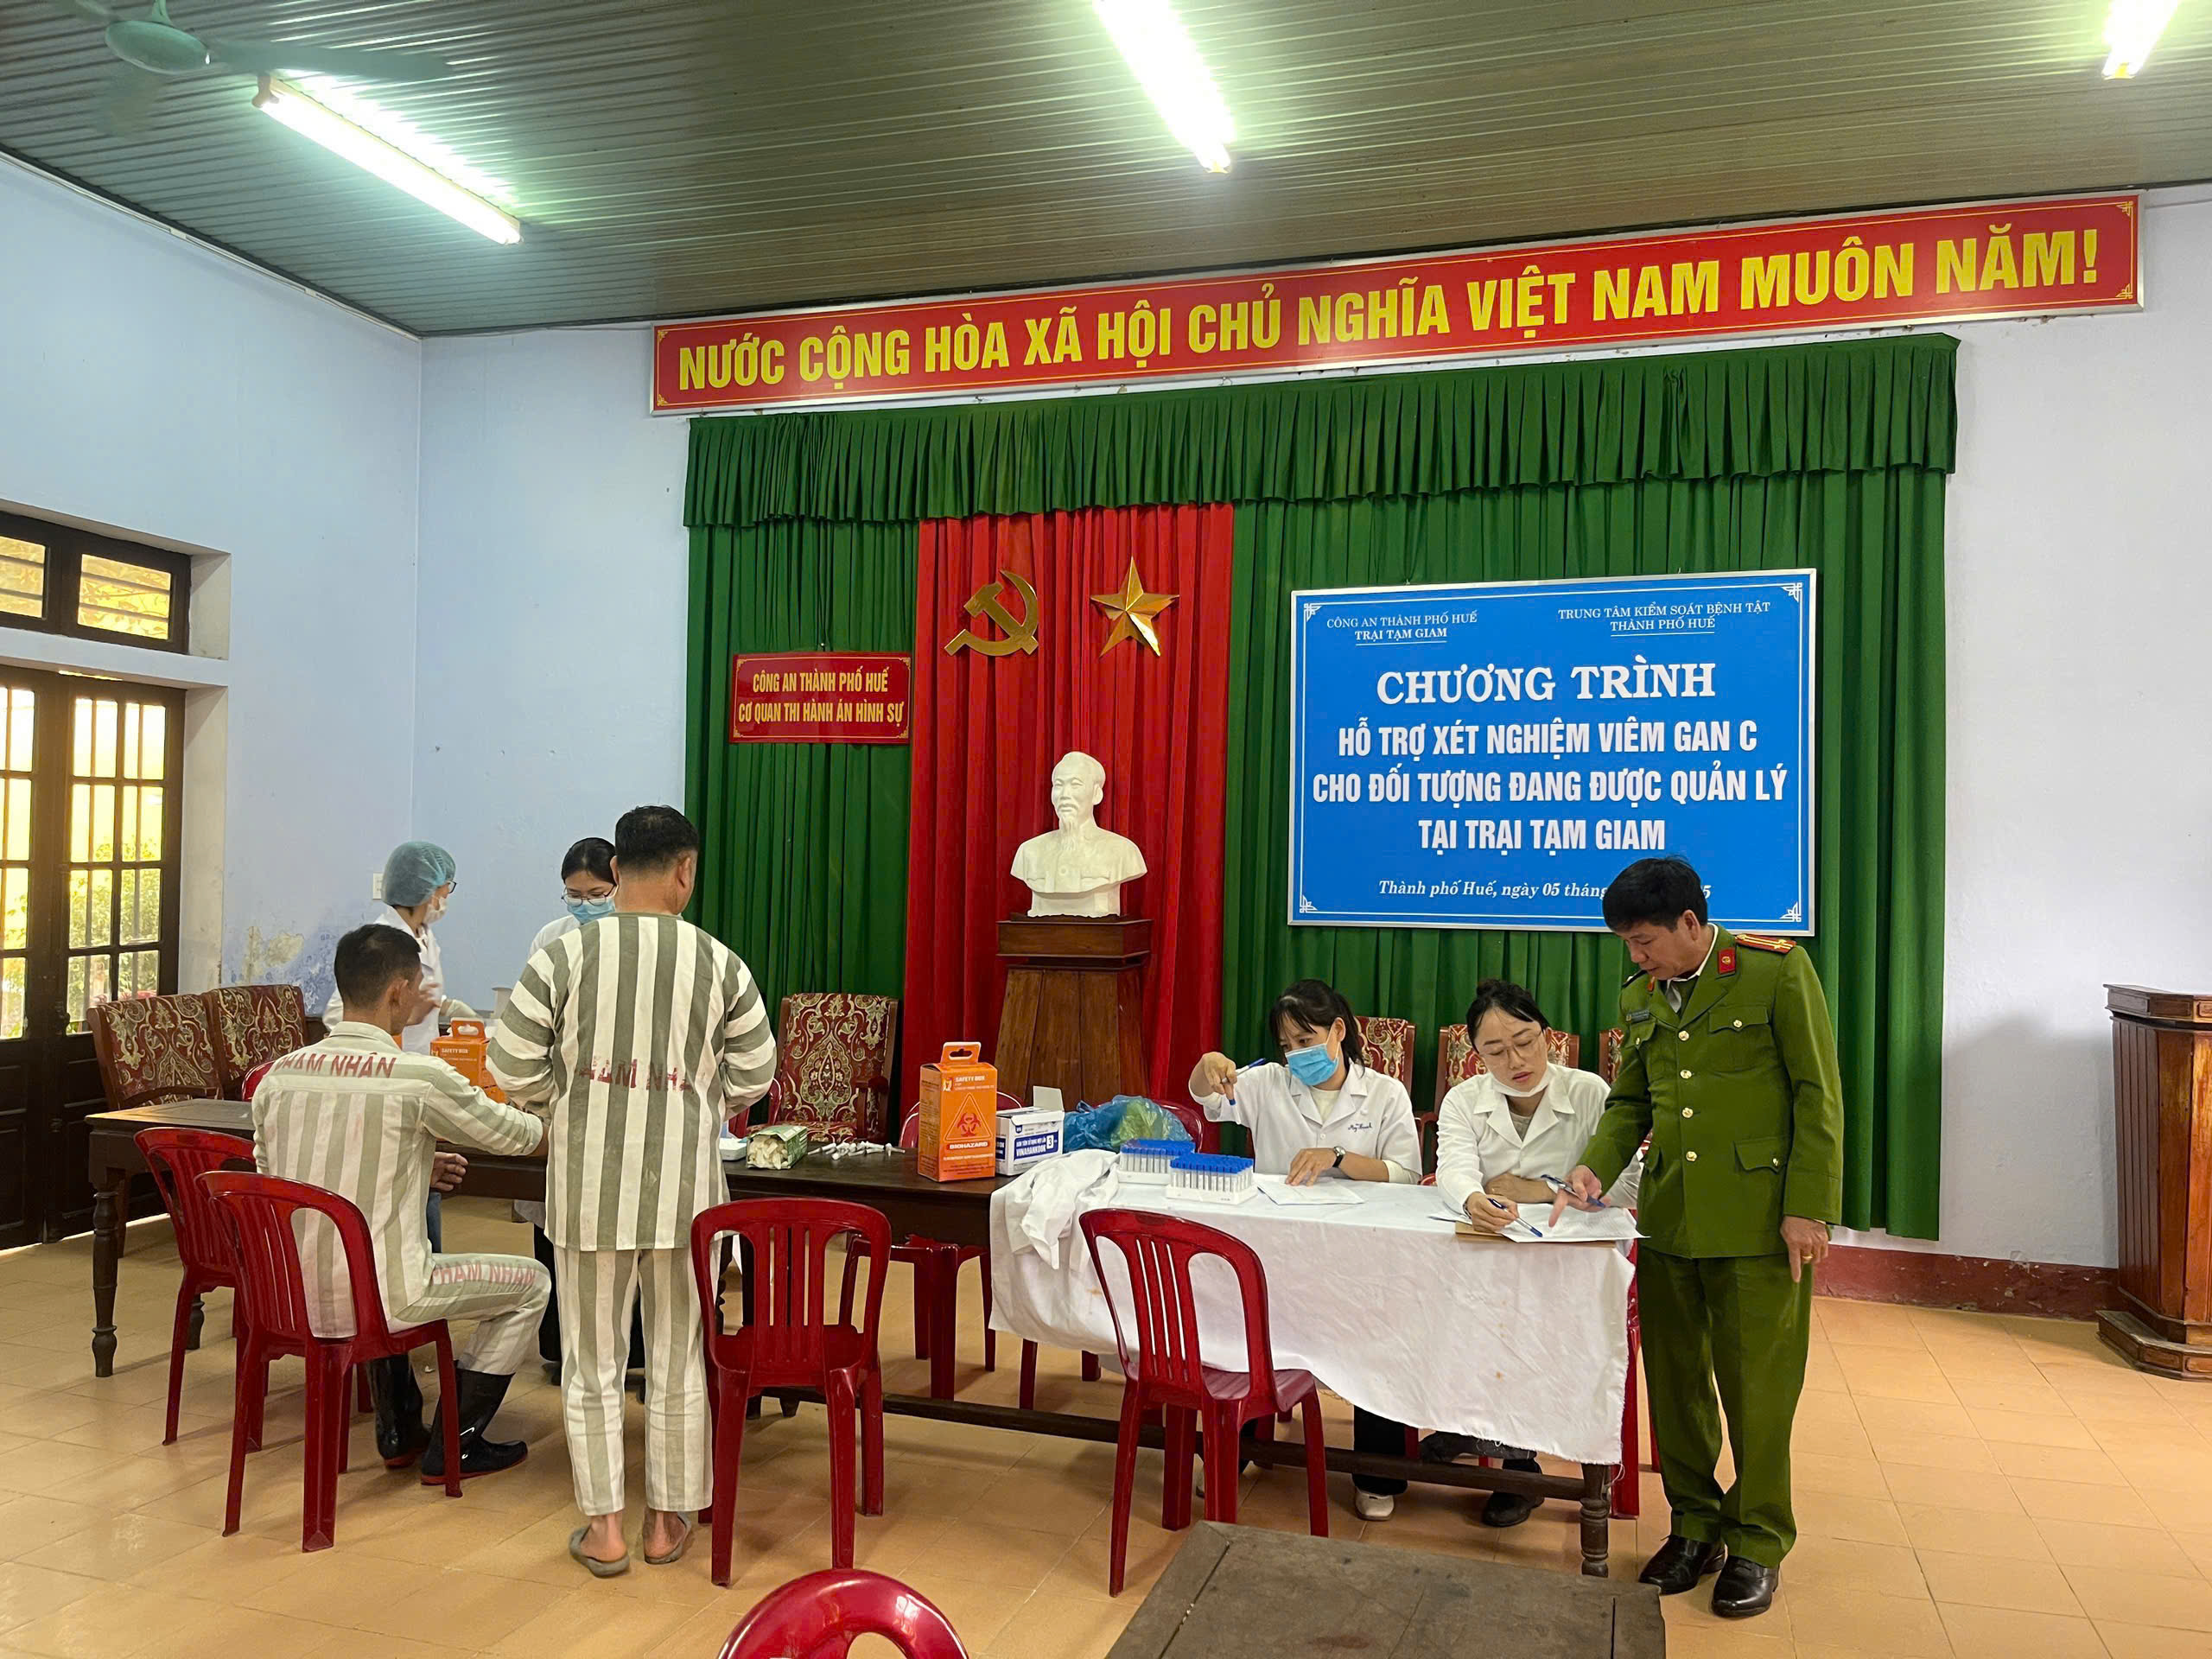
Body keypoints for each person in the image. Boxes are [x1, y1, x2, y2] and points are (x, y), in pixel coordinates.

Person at [1552, 856, 1842, 1620]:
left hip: (1758, 1220)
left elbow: (1817, 1094)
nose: (1636, 955)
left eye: (1644, 940)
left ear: (1690, 922)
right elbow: (1632, 1102)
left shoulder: (1775, 972)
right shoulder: (1640, 995)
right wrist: (1593, 1166)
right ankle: (1694, 1526)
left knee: (1758, 1391)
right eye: (1627, 943)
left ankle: (1758, 1541)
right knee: (1676, 1386)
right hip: (1671, 1218)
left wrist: (1808, 1207)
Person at [490, 804, 776, 1576]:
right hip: (687, 1195)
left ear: (615, 871)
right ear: (686, 871)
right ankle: (667, 1521)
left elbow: (509, 1064)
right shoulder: (719, 962)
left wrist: (567, 1101)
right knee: (679, 1358)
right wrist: (699, 1100)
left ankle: (605, 1529)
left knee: (591, 1363)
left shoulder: (562, 956)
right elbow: (757, 1071)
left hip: (587, 1191)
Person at [257, 924, 550, 1480]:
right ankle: (456, 1442)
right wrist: (573, 1129)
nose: (421, 997)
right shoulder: (416, 1075)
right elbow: (512, 1136)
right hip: (387, 1296)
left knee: (372, 1257)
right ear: (397, 991)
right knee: (532, 1283)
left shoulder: (279, 1076)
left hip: (291, 1297)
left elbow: (277, 1179)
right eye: (418, 986)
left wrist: (411, 1167)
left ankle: (399, 1428)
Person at [1187, 978, 1421, 1522]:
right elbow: (1208, 1099)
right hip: (1281, 1249)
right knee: (1247, 1331)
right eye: (1287, 1045)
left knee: (1376, 1338)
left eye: (1306, 1040)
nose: (1297, 1055)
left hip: (1361, 1253)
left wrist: (1338, 1157)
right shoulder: (1270, 1083)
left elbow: (1406, 1175)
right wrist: (1206, 1065)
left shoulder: (1384, 1093)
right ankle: (1234, 1450)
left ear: (1339, 1030)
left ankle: (1376, 1474)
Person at [1427, 978, 1642, 1527]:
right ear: (1477, 1055)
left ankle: (1519, 1467)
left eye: (1524, 1042)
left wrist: (1541, 1191)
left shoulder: (1588, 1092)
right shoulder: (1464, 1100)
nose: (1515, 1061)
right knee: (1443, 1301)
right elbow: (1453, 1168)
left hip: (1567, 1260)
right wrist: (1472, 1198)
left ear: (1547, 1035)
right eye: (1495, 1051)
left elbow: (1628, 1186)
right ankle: (1467, 1424)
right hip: (1490, 1250)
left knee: (1526, 1318)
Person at [512, 836, 644, 1380]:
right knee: (558, 1224)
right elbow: (529, 1028)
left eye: (595, 894)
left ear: (619, 884)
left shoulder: (647, 937)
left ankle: (634, 1350)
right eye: (574, 895)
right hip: (565, 1099)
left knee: (627, 1230)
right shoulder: (551, 940)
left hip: (630, 1099)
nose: (584, 904)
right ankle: (560, 1345)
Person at [324, 840, 476, 1251]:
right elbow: (339, 1013)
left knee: (424, 1179)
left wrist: (444, 1007)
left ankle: (425, 1262)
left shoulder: (423, 935)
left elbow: (422, 995)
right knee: (408, 1186)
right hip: (384, 1078)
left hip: (415, 1075)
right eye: (445, 887)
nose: (446, 897)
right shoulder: (384, 943)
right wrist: (403, 1019)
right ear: (427, 889)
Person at [1010, 751, 1147, 917]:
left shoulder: (1122, 851)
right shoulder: (1029, 852)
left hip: (1099, 932)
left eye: (1075, 785)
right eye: (1058, 785)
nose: (1064, 795)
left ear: (1096, 794)